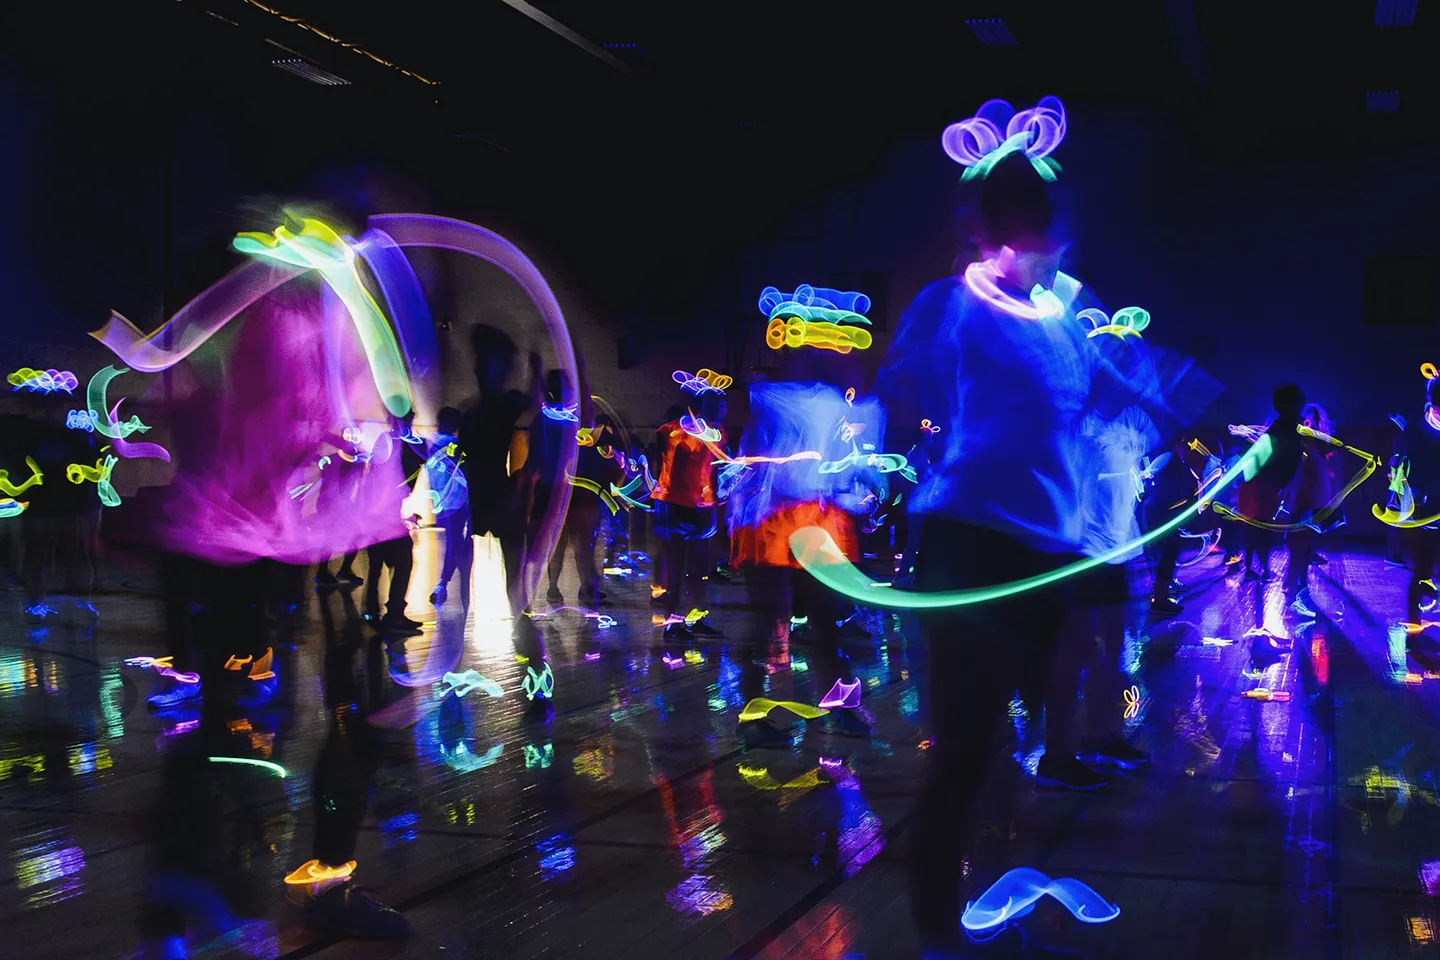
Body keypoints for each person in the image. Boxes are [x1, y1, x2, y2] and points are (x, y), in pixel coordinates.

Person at [876, 102, 1214, 956]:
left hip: (1046, 553)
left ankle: (979, 871)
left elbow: (1135, 392)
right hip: (972, 546)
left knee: (1003, 741)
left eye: (1047, 226)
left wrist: (1184, 399)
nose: (1043, 239)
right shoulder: (954, 305)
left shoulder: (1066, 324)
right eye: (1024, 221)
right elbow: (905, 384)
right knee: (964, 747)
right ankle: (935, 930)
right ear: (995, 225)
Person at [458, 325, 552, 721]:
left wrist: (536, 370)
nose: (483, 370)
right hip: (481, 501)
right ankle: (462, 656)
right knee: (463, 579)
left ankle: (535, 677)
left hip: (500, 500)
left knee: (517, 587)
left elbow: (536, 403)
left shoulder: (498, 405)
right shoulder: (472, 411)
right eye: (481, 362)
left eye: (490, 363)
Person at [650, 390, 728, 640]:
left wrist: (713, 494)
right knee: (676, 564)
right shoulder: (678, 432)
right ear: (703, 406)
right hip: (675, 504)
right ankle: (672, 624)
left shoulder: (711, 434)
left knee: (697, 566)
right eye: (719, 407)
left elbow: (709, 469)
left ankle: (695, 619)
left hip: (695, 505)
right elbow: (672, 466)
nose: (723, 413)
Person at [427, 406, 471, 607]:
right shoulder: (455, 444)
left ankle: (444, 583)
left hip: (446, 502)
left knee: (454, 543)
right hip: (459, 501)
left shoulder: (433, 444)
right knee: (458, 543)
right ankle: (450, 583)